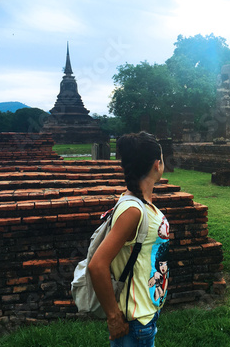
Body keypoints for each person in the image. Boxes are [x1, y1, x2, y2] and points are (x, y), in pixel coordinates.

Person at [88, 131, 170, 347]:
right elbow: (97, 265)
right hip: (135, 322)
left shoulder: (137, 201)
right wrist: (114, 317)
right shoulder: (133, 210)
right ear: (156, 164)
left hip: (145, 313)